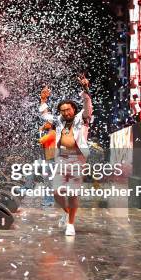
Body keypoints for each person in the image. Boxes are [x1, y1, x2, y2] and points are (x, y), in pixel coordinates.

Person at [52, 74, 93, 236]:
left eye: (68, 109)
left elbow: (87, 105)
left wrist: (85, 88)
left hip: (77, 159)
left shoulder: (82, 119)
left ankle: (71, 224)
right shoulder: (60, 121)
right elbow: (45, 116)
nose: (65, 113)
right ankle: (67, 212)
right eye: (62, 111)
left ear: (74, 109)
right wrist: (42, 101)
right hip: (62, 158)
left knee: (72, 192)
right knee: (57, 193)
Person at [38, 86, 56, 207]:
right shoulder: (53, 131)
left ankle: (49, 200)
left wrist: (40, 131)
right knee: (49, 181)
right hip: (51, 159)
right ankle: (50, 199)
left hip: (52, 159)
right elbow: (45, 116)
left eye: (47, 124)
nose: (46, 124)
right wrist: (43, 100)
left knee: (48, 181)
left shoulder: (53, 133)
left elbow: (41, 141)